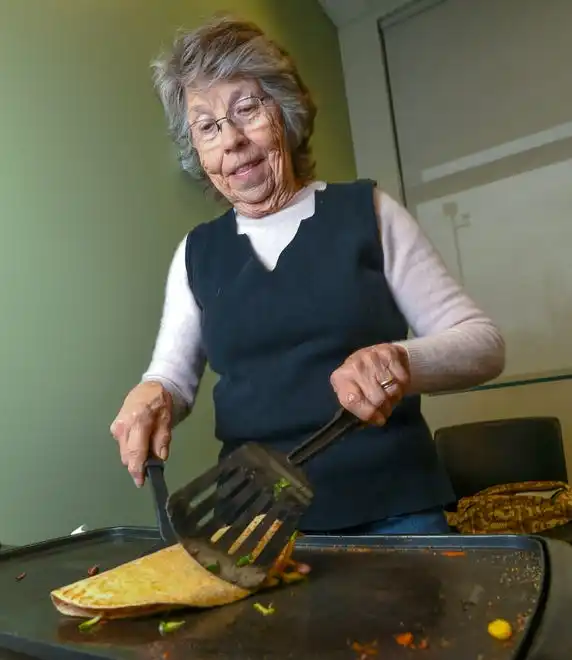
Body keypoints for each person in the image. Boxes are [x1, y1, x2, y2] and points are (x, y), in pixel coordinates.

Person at [110, 16, 505, 535]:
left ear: (285, 112)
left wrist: (399, 362)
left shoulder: (368, 212)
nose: (231, 140)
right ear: (197, 149)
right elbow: (172, 378)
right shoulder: (196, 253)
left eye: (246, 110)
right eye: (207, 126)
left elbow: (484, 345)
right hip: (255, 527)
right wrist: (152, 395)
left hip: (393, 510)